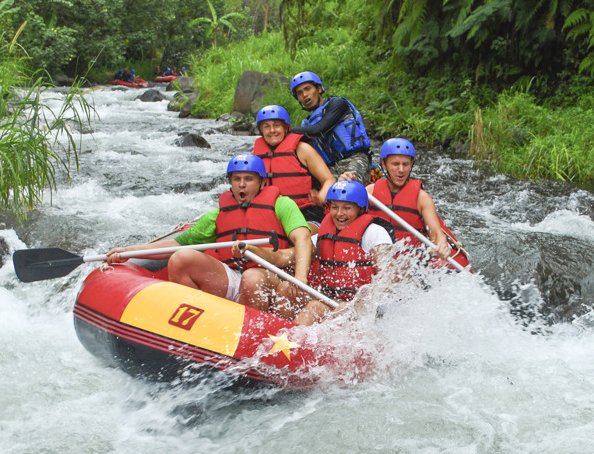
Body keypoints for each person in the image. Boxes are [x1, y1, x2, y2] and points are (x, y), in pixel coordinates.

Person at [106, 154, 313, 313]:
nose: (242, 184)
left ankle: (249, 337)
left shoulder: (282, 205)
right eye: (236, 179)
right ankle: (198, 324)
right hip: (233, 277)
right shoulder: (217, 216)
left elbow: (303, 238)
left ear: (261, 183)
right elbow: (175, 245)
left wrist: (301, 277)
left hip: (270, 278)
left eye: (249, 179)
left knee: (251, 277)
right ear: (230, 183)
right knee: (181, 258)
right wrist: (128, 252)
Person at [237, 180, 395, 324]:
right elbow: (283, 257)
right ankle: (275, 338)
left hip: (359, 308)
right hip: (328, 299)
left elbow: (389, 281)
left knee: (314, 308)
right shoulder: (322, 235)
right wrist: (252, 250)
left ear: (360, 209)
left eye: (347, 208)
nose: (339, 214)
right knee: (286, 289)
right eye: (335, 207)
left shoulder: (375, 233)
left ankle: (287, 344)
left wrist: (357, 304)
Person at [360, 138, 470, 267]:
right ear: (384, 164)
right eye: (395, 164)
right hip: (378, 260)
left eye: (406, 164)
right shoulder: (369, 193)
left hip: (410, 264)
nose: (401, 169)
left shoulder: (422, 198)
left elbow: (435, 233)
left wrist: (442, 245)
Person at [253, 105, 336, 234]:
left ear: (286, 127)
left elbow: (329, 180)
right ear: (261, 130)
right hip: (271, 215)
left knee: (299, 236)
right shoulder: (255, 156)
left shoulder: (302, 149)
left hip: (306, 215)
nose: (272, 130)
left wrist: (321, 196)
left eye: (276, 125)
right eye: (266, 126)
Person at [289, 71, 372, 184]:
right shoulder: (307, 124)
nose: (304, 95)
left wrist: (287, 130)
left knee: (348, 188)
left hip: (355, 159)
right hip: (330, 167)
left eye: (307, 88)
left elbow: (319, 129)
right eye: (299, 93)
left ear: (319, 89)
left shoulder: (338, 104)